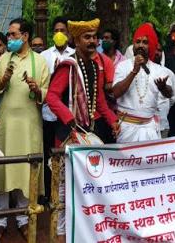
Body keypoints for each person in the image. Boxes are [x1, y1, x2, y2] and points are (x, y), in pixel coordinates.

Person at [46, 18, 118, 238]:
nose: (93, 41)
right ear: (76, 40)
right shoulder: (68, 65)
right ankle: (59, 235)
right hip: (68, 134)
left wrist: (112, 120)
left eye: (94, 37)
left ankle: (82, 233)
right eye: (87, 37)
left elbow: (101, 102)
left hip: (89, 134)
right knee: (64, 189)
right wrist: (69, 120)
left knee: (86, 187)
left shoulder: (96, 66)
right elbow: (51, 97)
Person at [0, 18, 50, 239]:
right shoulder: (4, 58)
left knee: (27, 171)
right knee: (3, 171)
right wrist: (4, 79)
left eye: (13, 35)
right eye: (9, 35)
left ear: (24, 36)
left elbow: (47, 93)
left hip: (29, 124)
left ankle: (25, 220)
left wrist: (36, 88)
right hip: (5, 123)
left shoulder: (40, 61)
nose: (10, 39)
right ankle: (1, 220)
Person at [113, 23, 172, 143]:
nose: (140, 45)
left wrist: (163, 88)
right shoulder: (123, 66)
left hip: (149, 129)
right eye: (137, 41)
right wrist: (134, 71)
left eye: (145, 42)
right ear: (133, 45)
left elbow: (169, 94)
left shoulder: (159, 69)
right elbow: (115, 93)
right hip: (126, 128)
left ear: (151, 46)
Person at [40, 16, 74, 200]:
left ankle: (64, 195)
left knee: (63, 154)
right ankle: (48, 193)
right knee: (48, 154)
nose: (59, 34)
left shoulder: (74, 55)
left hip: (67, 114)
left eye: (63, 30)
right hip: (47, 113)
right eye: (56, 31)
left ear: (68, 34)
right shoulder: (44, 55)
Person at [154, 43, 175, 138]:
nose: (157, 53)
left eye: (159, 50)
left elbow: (172, 99)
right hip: (145, 127)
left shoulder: (168, 73)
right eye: (155, 49)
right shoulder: (139, 71)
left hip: (163, 125)